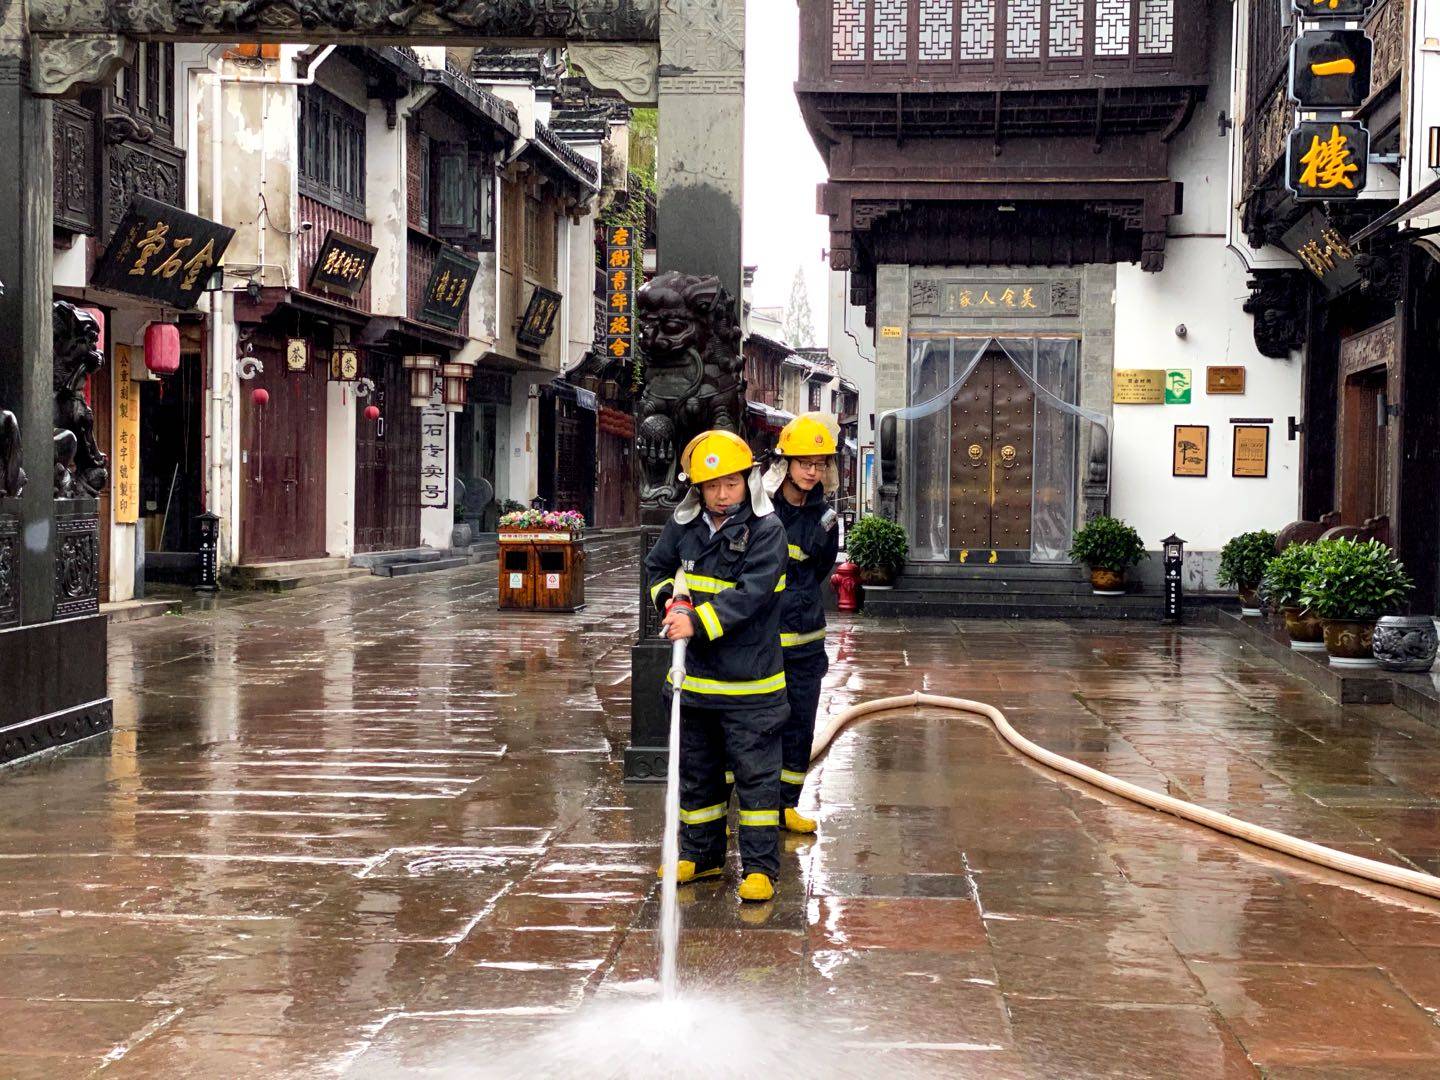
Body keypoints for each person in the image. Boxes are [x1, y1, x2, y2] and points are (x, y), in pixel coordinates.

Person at [647, 429, 790, 902]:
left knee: (756, 782)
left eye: (730, 484)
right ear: (698, 489)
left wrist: (698, 622)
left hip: (750, 686)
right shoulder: (684, 524)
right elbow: (657, 568)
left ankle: (761, 869)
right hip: (695, 683)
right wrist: (670, 604)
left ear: (746, 482)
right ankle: (702, 856)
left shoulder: (767, 531)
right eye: (712, 486)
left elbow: (751, 595)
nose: (721, 494)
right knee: (698, 775)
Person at [762, 414, 841, 834]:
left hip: (806, 642)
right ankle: (751, 805)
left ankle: (787, 804)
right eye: (805, 462)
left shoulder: (827, 520)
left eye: (820, 464)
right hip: (762, 639)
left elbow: (822, 569)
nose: (813, 472)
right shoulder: (760, 510)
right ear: (786, 462)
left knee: (800, 723)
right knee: (758, 724)